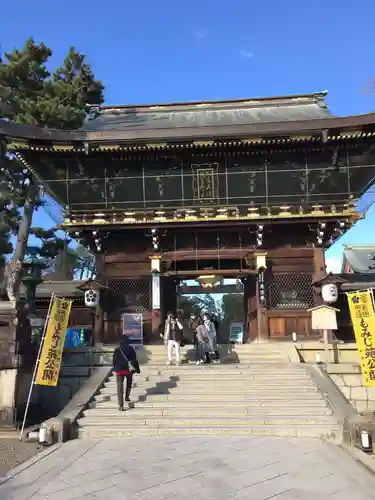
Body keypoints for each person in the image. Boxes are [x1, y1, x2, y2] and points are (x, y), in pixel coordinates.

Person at [112, 335, 140, 411]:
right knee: (129, 383)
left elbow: (114, 361)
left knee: (119, 388)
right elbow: (134, 360)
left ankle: (121, 405)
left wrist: (115, 369)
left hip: (119, 371)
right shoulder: (130, 349)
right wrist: (137, 369)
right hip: (128, 370)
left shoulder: (117, 350)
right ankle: (127, 396)